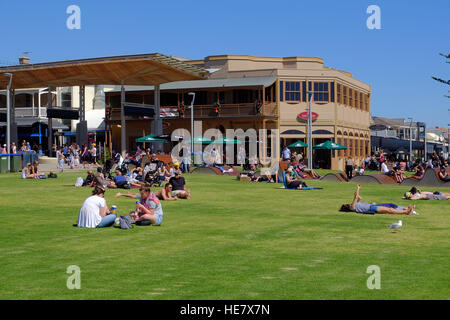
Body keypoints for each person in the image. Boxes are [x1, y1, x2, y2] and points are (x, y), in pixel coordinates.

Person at [339, 184, 415, 215]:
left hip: (372, 206)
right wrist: (358, 188)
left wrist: (357, 194)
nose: (348, 203)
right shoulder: (353, 207)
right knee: (390, 210)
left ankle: (406, 210)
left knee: (390, 209)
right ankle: (406, 212)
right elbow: (356, 197)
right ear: (347, 207)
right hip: (372, 208)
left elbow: (359, 198)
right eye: (347, 204)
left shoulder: (356, 205)